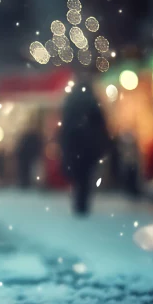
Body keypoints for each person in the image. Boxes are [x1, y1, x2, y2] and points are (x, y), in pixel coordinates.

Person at [59, 75, 110, 216]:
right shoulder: (93, 102)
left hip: (74, 145)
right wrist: (103, 144)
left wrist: (64, 144)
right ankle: (83, 203)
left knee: (78, 175)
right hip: (90, 146)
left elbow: (65, 127)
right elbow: (101, 125)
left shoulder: (70, 103)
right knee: (86, 176)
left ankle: (78, 201)